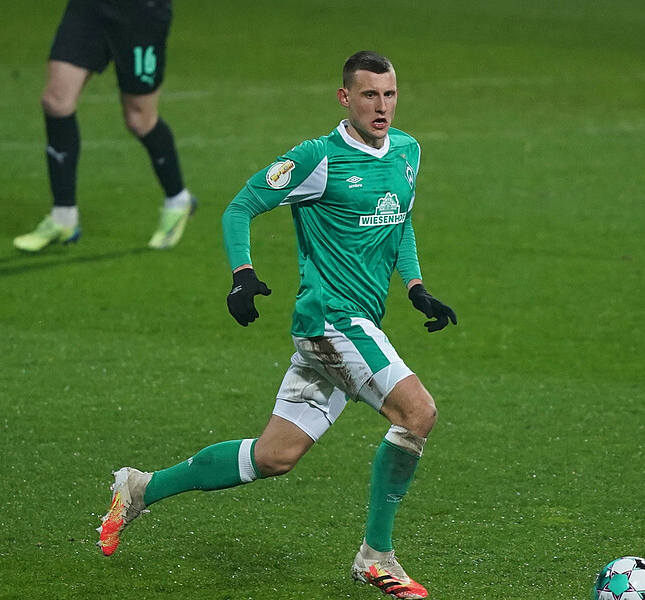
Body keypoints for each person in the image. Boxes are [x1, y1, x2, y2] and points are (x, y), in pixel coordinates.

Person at [97, 51, 457, 599]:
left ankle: (141, 488)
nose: (381, 106)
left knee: (274, 456)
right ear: (345, 98)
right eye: (369, 95)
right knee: (418, 412)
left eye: (389, 94)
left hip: (353, 323)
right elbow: (240, 207)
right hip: (331, 320)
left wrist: (415, 286)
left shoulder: (407, 151)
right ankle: (375, 557)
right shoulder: (318, 159)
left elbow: (399, 219)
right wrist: (242, 274)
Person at [13, 0, 197, 252]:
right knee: (56, 102)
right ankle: (63, 217)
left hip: (141, 14)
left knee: (139, 120)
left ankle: (178, 200)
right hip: (90, 7)